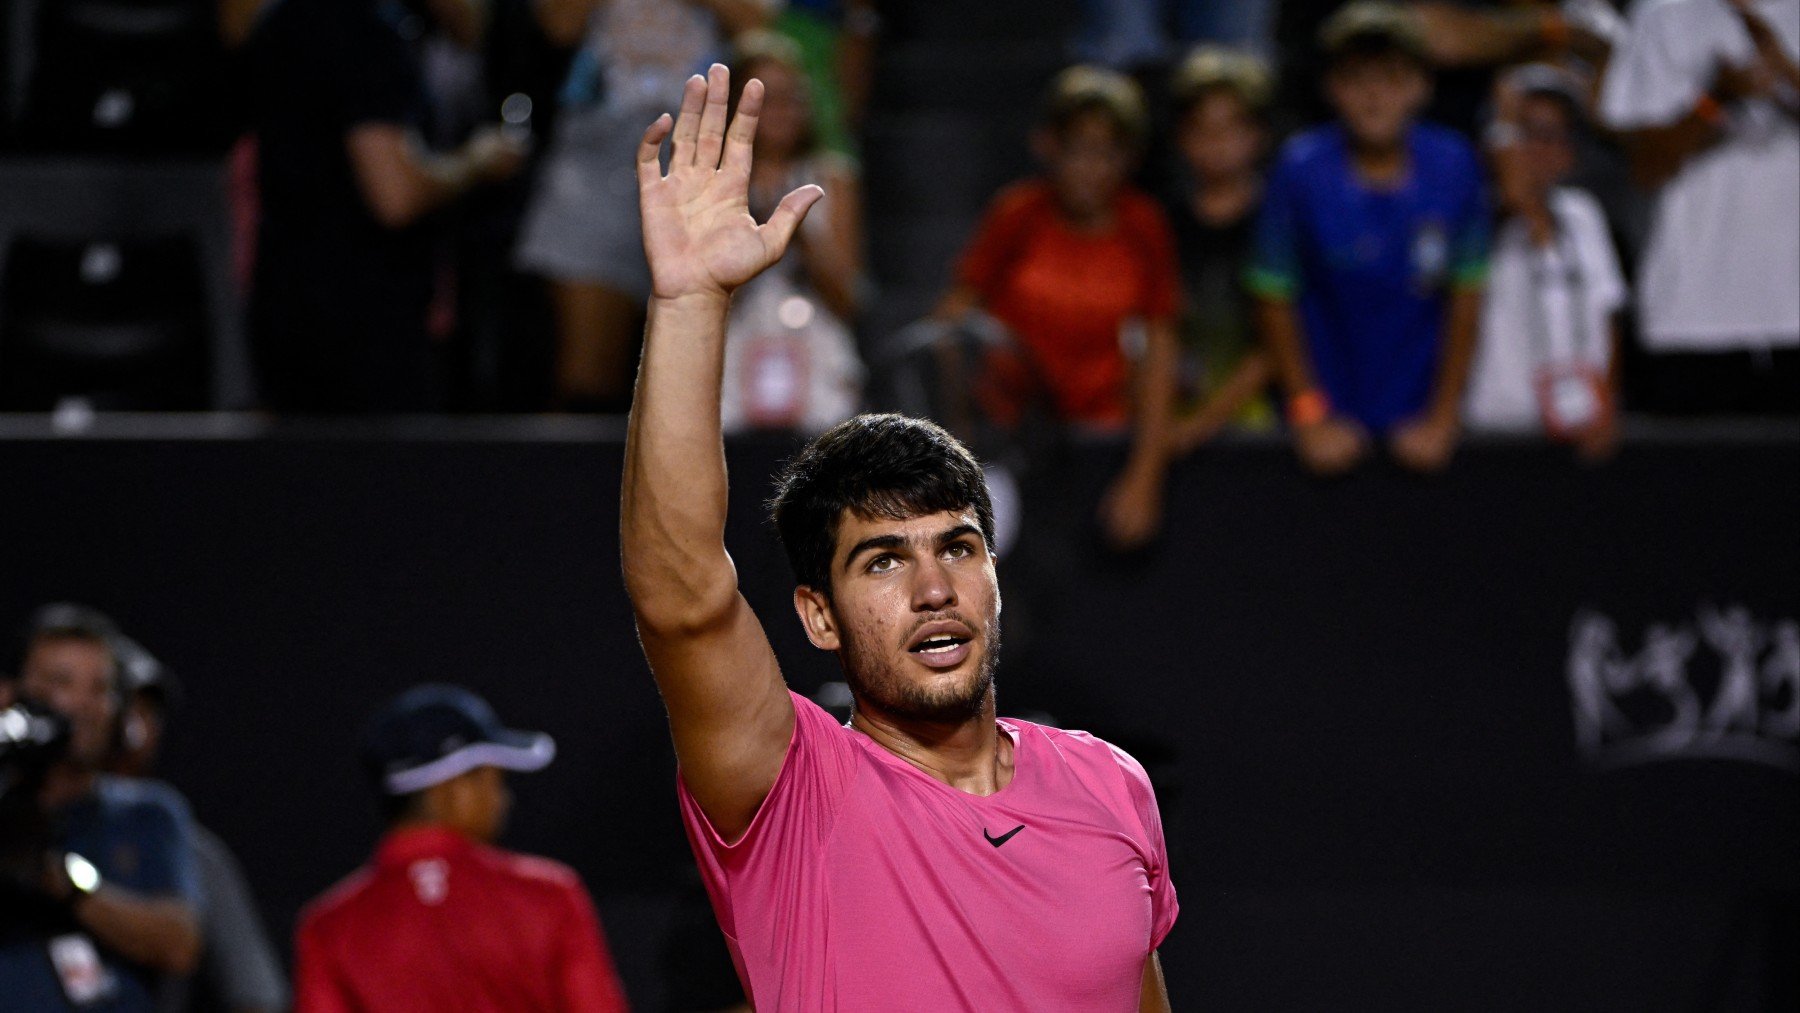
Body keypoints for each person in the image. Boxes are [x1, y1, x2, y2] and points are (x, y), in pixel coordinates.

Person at [622, 65, 1177, 1008]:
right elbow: (680, 594)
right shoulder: (789, 789)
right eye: (882, 560)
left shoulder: (1111, 783)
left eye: (956, 546)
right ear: (818, 615)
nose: (933, 587)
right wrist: (688, 306)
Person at [935, 65, 1182, 549]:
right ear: (1049, 147)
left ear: (1128, 159)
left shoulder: (1144, 226)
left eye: (1106, 152)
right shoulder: (1017, 213)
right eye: (1076, 149)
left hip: (1101, 441)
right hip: (1009, 442)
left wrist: (1145, 475)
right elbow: (950, 328)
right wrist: (958, 444)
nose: (1090, 167)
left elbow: (1160, 351)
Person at [244, 0, 525, 412]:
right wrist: (479, 161)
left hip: (285, 306)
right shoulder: (362, 34)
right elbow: (396, 196)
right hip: (360, 327)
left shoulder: (281, 18)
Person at [1249, 2, 1488, 475]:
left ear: (1422, 86)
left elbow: (1466, 295)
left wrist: (1443, 417)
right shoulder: (1300, 169)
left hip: (1420, 422)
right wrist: (1309, 415)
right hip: (1325, 425)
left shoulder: (1456, 165)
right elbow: (1274, 297)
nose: (1374, 97)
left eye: (1393, 79)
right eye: (1357, 79)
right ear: (1332, 88)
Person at [293, 684, 628, 1012]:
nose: (504, 799)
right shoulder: (550, 895)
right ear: (450, 788)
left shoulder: (328, 928)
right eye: (493, 780)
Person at [518, 0, 778, 412]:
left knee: (683, 377)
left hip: (696, 151)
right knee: (588, 377)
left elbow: (759, 26)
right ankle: (582, 474)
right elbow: (559, 24)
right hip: (597, 156)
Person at [0, 604, 203, 1012]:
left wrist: (62, 879)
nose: (83, 706)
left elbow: (180, 944)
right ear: (12, 692)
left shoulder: (147, 814)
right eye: (61, 683)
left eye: (100, 689)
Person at [1599, 0, 1799, 414]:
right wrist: (1716, 98)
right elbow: (1646, 167)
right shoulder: (1663, 14)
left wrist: (1786, 78)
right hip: (1692, 318)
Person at [109, 638, 290, 1013]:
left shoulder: (190, 852)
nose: (137, 731)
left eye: (149, 715)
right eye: (126, 710)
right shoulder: (22, 831)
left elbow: (257, 997)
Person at [1466, 65, 1627, 457]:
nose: (1540, 148)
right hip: (1493, 432)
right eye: (1525, 133)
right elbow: (1515, 196)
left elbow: (1608, 315)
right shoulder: (1474, 213)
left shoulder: (1582, 214)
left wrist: (1605, 403)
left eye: (1553, 136)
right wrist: (1502, 125)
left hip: (1576, 431)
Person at [719, 32, 865, 434]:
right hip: (733, 349)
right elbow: (706, 299)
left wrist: (799, 234)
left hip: (816, 351)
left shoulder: (832, 177)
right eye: (768, 99)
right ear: (737, 106)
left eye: (793, 96)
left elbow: (848, 298)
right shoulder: (715, 183)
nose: (783, 110)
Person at [1162, 46, 1281, 454]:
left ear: (1259, 135)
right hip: (1176, 418)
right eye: (1202, 128)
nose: (1217, 143)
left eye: (1232, 128)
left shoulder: (1278, 222)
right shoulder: (1165, 226)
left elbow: (1279, 339)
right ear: (1182, 137)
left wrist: (1204, 422)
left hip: (1271, 430)